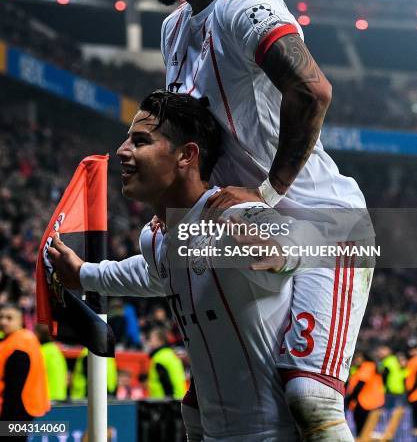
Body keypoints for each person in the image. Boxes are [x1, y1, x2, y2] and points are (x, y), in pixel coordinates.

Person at [153, 0, 374, 440]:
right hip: (249, 236)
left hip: (320, 225)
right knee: (205, 402)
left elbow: (312, 90)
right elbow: (192, 139)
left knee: (310, 398)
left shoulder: (247, 4)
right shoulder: (174, 28)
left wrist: (271, 191)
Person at [47, 90, 301, 441]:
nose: (123, 151)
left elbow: (290, 250)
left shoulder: (230, 215)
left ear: (187, 155)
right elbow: (152, 272)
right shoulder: (156, 238)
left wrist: (276, 251)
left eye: (140, 141)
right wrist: (83, 274)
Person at [0, 303, 50, 436]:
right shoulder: (17, 339)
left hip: (16, 408)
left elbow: (14, 386)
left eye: (9, 318)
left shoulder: (20, 343)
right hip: (21, 407)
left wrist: (6, 417)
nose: (3, 321)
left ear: (21, 320)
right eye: (2, 317)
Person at [345, 351, 384, 436]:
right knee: (366, 430)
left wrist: (350, 400)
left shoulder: (367, 366)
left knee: (362, 431)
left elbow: (360, 385)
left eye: (358, 357)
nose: (356, 359)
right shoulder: (370, 366)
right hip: (371, 402)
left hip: (364, 403)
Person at [146, 327, 186, 400]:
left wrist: (169, 403)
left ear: (160, 341)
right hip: (179, 398)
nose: (149, 342)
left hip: (164, 402)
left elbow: (166, 383)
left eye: (151, 339)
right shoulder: (170, 354)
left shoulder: (159, 358)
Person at [35, 323, 68, 401]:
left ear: (38, 335)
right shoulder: (56, 350)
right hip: (60, 396)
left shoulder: (40, 352)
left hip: (46, 398)